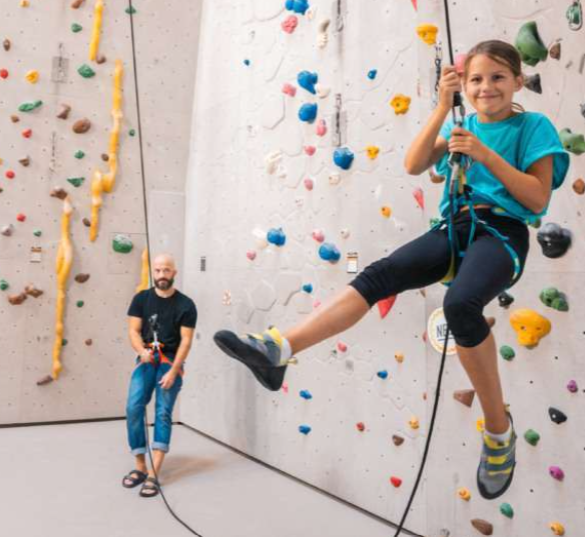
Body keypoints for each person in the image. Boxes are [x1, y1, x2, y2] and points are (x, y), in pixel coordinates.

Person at [214, 40, 569, 500]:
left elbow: (537, 198)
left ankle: (499, 432)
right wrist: (442, 107)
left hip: (502, 232)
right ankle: (280, 349)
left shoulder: (532, 126)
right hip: (455, 226)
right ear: (464, 86)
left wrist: (484, 154)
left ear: (519, 81)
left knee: (460, 304)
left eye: (498, 77)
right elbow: (415, 163)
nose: (486, 87)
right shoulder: (461, 126)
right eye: (476, 79)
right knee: (378, 276)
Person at [122, 253, 197, 498]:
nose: (161, 275)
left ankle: (154, 473)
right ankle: (140, 467)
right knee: (134, 407)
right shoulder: (141, 299)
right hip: (146, 358)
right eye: (157, 270)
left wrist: (174, 371)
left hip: (170, 362)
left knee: (163, 412)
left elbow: (186, 341)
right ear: (153, 272)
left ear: (174, 273)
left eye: (166, 270)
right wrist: (141, 351)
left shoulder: (186, 305)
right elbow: (133, 331)